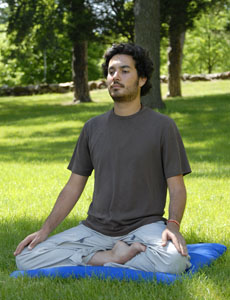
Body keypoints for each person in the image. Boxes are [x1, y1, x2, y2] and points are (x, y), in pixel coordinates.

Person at [14, 43, 192, 274]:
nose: (115, 77)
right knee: (27, 257)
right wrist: (45, 230)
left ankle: (101, 259)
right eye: (111, 71)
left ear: (142, 80)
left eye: (124, 71)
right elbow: (73, 186)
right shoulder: (92, 128)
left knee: (174, 261)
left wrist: (173, 226)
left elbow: (177, 188)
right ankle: (109, 257)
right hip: (95, 230)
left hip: (144, 227)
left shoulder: (163, 127)